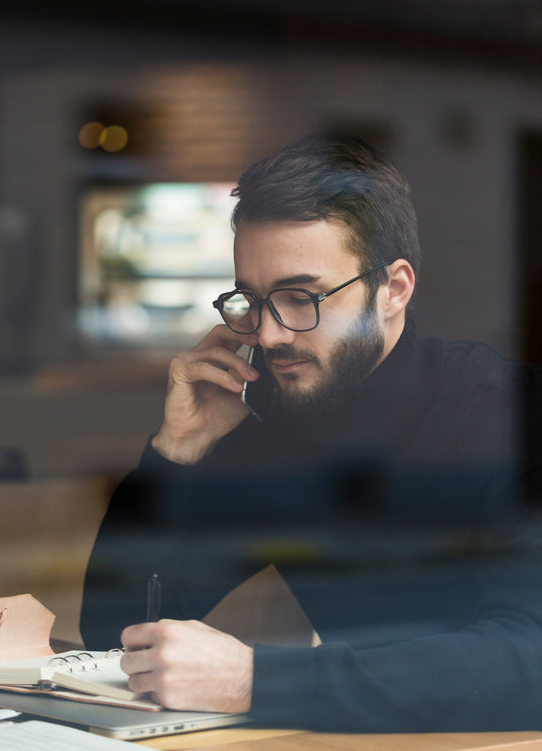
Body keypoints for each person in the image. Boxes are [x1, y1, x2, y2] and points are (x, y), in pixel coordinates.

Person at [81, 135, 542, 731]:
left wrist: (253, 681)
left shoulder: (512, 414)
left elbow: (527, 662)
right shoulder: (272, 420)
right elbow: (117, 634)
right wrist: (176, 455)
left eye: (300, 299)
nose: (270, 336)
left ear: (394, 290)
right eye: (251, 300)